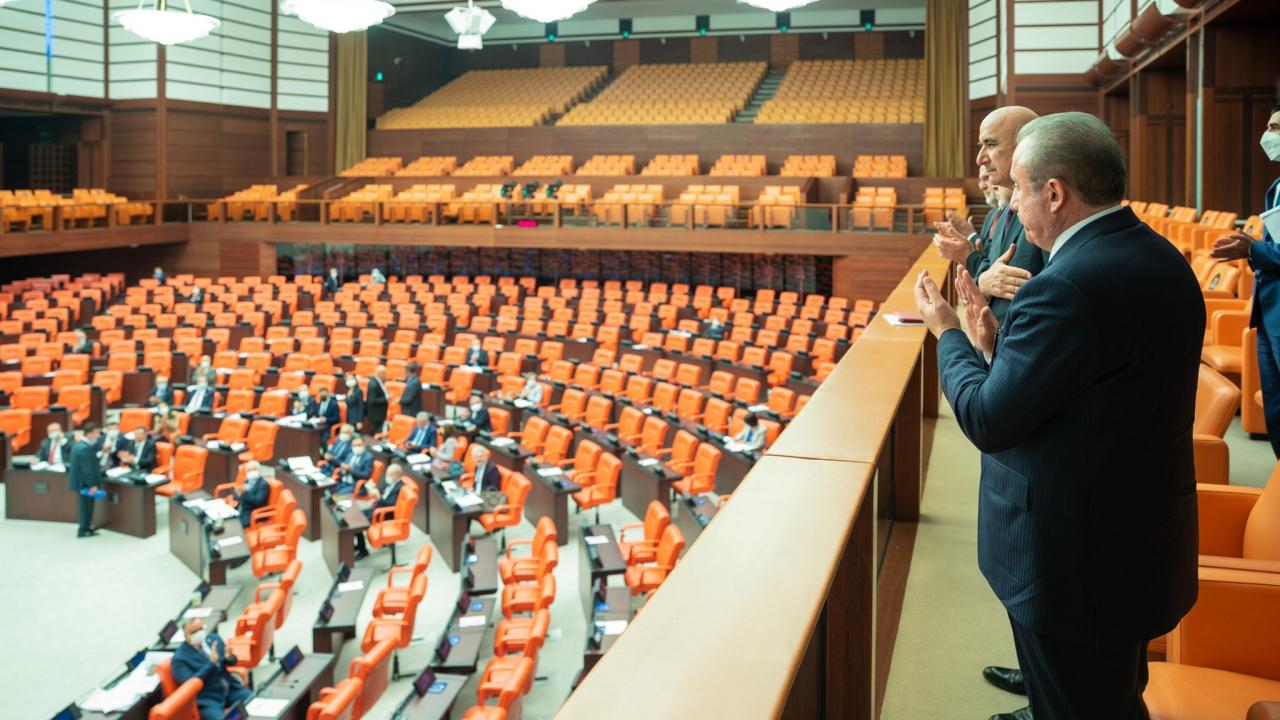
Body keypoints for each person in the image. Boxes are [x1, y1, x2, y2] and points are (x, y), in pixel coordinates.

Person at [913, 112, 1202, 720]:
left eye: (1019, 190)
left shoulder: (1066, 286)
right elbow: (1095, 387)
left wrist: (948, 334)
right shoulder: (1159, 256)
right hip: (1135, 539)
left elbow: (987, 419)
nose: (1012, 205)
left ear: (1054, 193)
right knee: (1110, 697)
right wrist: (997, 347)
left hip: (1075, 561)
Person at [1210, 103, 1280, 456]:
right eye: (1269, 127)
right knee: (1275, 408)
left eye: (1276, 128)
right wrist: (1252, 249)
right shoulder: (1277, 185)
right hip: (1267, 313)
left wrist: (1253, 249)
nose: (1268, 135)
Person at [171, 618, 251, 720]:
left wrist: (230, 658)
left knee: (254, 701)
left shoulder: (214, 639)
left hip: (230, 690)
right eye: (194, 632)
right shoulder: (179, 659)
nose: (199, 633)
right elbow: (191, 684)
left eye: (201, 629)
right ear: (185, 635)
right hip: (208, 700)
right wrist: (211, 664)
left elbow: (232, 661)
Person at [353, 464, 405, 560]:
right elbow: (381, 492)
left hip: (384, 514)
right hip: (377, 508)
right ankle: (358, 545)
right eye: (387, 474)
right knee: (355, 516)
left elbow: (391, 505)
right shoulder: (390, 483)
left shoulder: (401, 488)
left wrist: (379, 498)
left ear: (397, 475)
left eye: (389, 475)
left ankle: (363, 550)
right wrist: (373, 489)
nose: (387, 477)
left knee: (358, 523)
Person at [69, 424, 103, 538]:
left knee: (85, 507)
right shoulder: (85, 448)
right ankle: (83, 530)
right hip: (85, 484)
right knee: (86, 508)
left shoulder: (79, 445)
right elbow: (87, 469)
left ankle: (87, 527)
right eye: (97, 433)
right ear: (89, 433)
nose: (98, 435)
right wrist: (92, 485)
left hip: (81, 482)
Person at [233, 461, 270, 528]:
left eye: (253, 469)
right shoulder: (247, 481)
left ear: (259, 470)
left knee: (235, 527)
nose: (251, 472)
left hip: (252, 513)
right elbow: (235, 497)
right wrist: (238, 494)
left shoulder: (263, 484)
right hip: (241, 509)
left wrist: (245, 492)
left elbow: (258, 502)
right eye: (249, 470)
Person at [365, 366, 389, 434]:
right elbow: (373, 400)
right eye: (385, 374)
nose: (386, 376)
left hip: (378, 413)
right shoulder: (374, 384)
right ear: (381, 374)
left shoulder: (377, 381)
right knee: (376, 431)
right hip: (376, 414)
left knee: (376, 430)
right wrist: (386, 399)